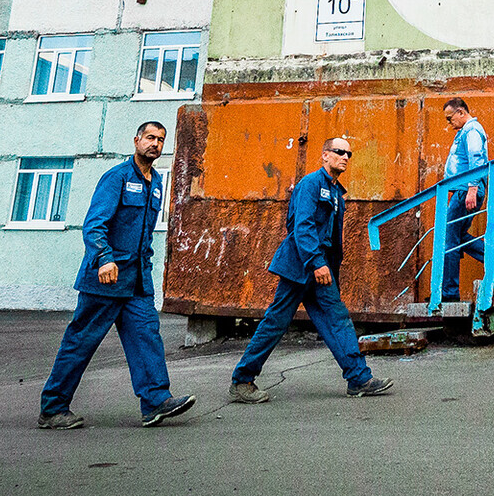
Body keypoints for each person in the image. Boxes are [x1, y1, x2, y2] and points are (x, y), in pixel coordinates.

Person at [39, 121, 196, 429]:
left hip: (136, 281)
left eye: (160, 140)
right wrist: (104, 259)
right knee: (81, 342)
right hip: (106, 279)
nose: (155, 144)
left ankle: (155, 402)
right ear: (136, 140)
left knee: (146, 336)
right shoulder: (116, 179)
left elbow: (144, 236)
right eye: (150, 137)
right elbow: (95, 225)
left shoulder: (156, 183)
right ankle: (53, 408)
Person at [228, 135, 393, 402]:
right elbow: (301, 226)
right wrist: (315, 261)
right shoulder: (311, 184)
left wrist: (325, 265)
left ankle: (359, 379)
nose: (345, 157)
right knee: (276, 323)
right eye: (339, 152)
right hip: (301, 267)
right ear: (324, 155)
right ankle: (242, 381)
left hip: (320, 269)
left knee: (337, 319)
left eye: (349, 154)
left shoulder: (337, 192)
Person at [438, 97, 494, 301]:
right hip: (461, 191)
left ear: (461, 113)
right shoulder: (465, 131)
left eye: (450, 118)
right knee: (457, 237)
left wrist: (471, 188)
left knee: (449, 240)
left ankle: (449, 294)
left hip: (466, 191)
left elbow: (477, 158)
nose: (449, 123)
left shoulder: (472, 130)